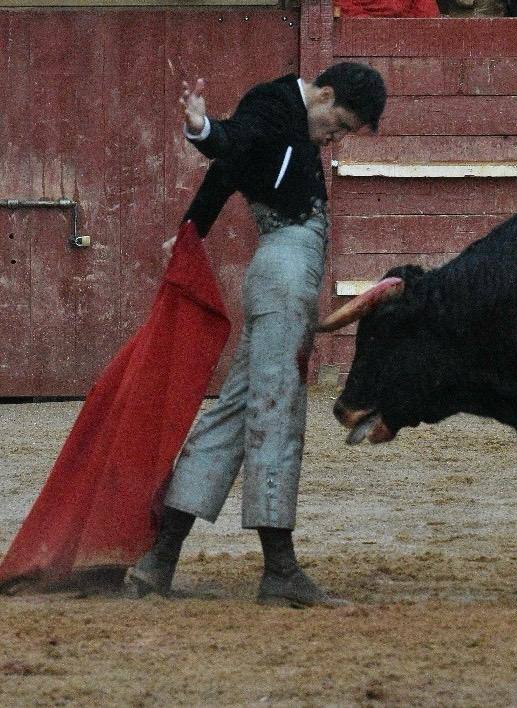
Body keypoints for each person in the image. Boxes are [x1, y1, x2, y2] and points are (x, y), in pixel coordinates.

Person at [127, 63, 386, 608]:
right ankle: (280, 570)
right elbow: (229, 144)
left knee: (238, 409)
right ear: (326, 93)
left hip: (284, 269)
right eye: (341, 122)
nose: (338, 135)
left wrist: (192, 229)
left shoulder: (295, 116)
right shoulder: (271, 106)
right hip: (286, 269)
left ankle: (157, 561)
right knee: (277, 407)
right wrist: (202, 128)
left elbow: (228, 172)